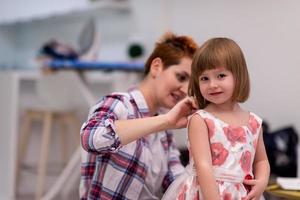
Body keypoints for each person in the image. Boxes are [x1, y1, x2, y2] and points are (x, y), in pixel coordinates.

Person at [79, 32, 198, 200]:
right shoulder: (120, 104)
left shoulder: (165, 133)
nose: (185, 90)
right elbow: (90, 137)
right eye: (181, 77)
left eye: (191, 86)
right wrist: (165, 121)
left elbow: (176, 185)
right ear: (156, 67)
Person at [162, 37, 270, 200]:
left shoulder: (254, 122)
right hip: (207, 193)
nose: (212, 84)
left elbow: (261, 161)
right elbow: (203, 166)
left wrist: (262, 181)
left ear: (238, 76)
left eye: (220, 75)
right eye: (205, 78)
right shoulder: (201, 119)